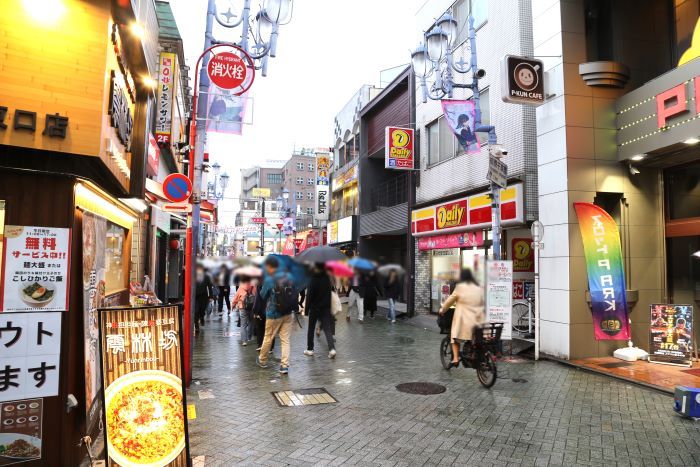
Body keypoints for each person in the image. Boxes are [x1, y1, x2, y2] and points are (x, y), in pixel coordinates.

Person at [438, 269, 485, 367]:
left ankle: (455, 359)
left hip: (464, 320)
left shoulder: (460, 287)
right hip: (478, 319)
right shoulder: (478, 287)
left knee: (454, 337)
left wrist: (442, 310)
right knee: (474, 337)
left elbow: (449, 301)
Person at [257, 257, 295, 374]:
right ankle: (284, 366)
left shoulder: (270, 280)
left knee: (268, 337)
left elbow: (263, 295)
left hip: (274, 314)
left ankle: (262, 360)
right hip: (288, 313)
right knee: (285, 340)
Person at [303, 264, 336, 359]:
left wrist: (306, 311)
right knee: (327, 329)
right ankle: (332, 349)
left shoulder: (313, 279)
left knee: (311, 328)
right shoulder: (327, 278)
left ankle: (310, 349)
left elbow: (309, 296)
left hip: (314, 308)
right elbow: (329, 294)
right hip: (325, 308)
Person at [233, 276, 255, 346]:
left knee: (243, 324)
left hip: (242, 307)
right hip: (251, 307)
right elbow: (257, 296)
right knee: (251, 322)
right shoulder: (253, 286)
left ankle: (244, 341)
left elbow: (236, 297)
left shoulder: (241, 287)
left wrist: (233, 305)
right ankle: (249, 337)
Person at [194, 265, 214, 332]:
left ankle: (202, 317)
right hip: (195, 296)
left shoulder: (206, 277)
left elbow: (209, 287)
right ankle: (196, 325)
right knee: (196, 311)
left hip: (204, 296)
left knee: (202, 309)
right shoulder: (193, 276)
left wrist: (211, 296)